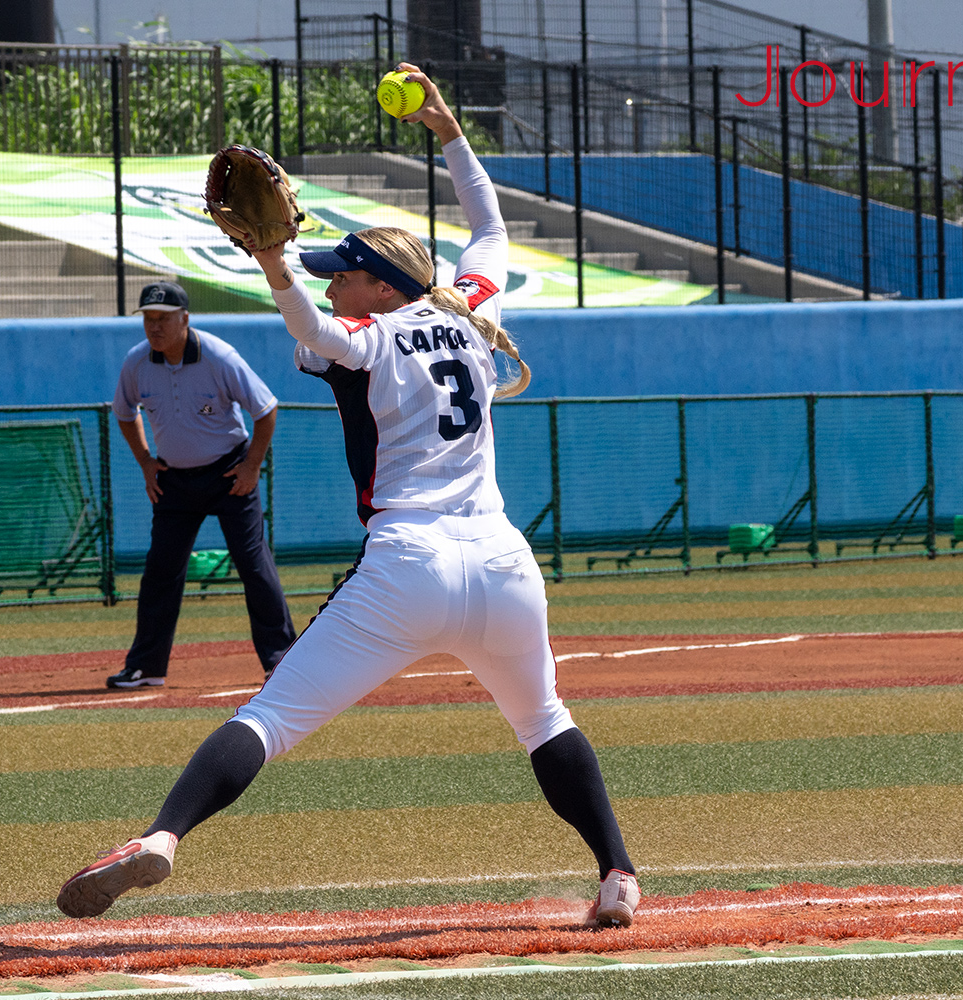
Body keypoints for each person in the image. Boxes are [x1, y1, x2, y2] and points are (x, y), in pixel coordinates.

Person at [59, 66, 639, 928]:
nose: (332, 282)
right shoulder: (472, 307)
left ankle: (162, 839)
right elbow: (488, 225)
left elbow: (317, 330)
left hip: (408, 566)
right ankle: (618, 876)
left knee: (271, 716)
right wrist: (447, 130)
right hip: (504, 565)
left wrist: (274, 266)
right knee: (545, 719)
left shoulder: (362, 338)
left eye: (345, 274)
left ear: (380, 285)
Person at [106, 280, 297, 689]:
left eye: (163, 319)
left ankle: (281, 660)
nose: (154, 327)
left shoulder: (217, 356)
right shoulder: (137, 362)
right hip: (173, 479)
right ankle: (147, 666)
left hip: (229, 474)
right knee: (160, 571)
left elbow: (266, 409)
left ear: (184, 319)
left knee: (253, 564)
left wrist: (251, 467)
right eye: (148, 319)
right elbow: (124, 412)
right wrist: (144, 461)